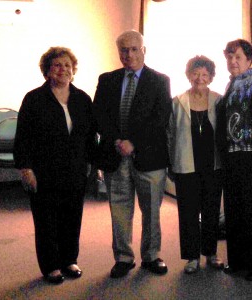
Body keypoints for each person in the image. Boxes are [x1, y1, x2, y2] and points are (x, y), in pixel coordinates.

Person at [13, 47, 98, 284]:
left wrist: (93, 163)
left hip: (75, 170)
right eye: (57, 65)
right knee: (46, 220)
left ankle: (69, 260)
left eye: (67, 65)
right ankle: (51, 266)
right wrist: (26, 169)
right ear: (48, 70)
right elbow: (23, 137)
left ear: (73, 70)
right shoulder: (34, 99)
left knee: (72, 217)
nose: (63, 70)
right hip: (44, 171)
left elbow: (90, 136)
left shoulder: (82, 98)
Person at [93, 30, 171, 278]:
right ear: (119, 53)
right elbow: (99, 116)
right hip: (115, 156)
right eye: (124, 50)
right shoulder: (107, 79)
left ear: (144, 50)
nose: (129, 54)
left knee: (152, 212)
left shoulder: (160, 80)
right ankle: (124, 258)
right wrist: (117, 140)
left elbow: (161, 119)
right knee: (119, 209)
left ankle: (151, 256)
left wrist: (134, 142)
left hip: (149, 157)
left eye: (134, 49)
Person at [216, 39, 252, 281]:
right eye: (229, 57)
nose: (232, 61)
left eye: (237, 57)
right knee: (234, 208)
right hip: (232, 154)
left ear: (249, 59)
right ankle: (238, 260)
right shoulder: (232, 84)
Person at [167, 55, 224, 274]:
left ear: (210, 77)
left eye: (204, 74)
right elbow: (170, 134)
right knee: (188, 212)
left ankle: (210, 253)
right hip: (186, 164)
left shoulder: (219, 100)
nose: (200, 77)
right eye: (195, 73)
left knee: (211, 210)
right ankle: (191, 257)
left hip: (213, 164)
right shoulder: (178, 101)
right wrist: (171, 163)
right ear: (189, 75)